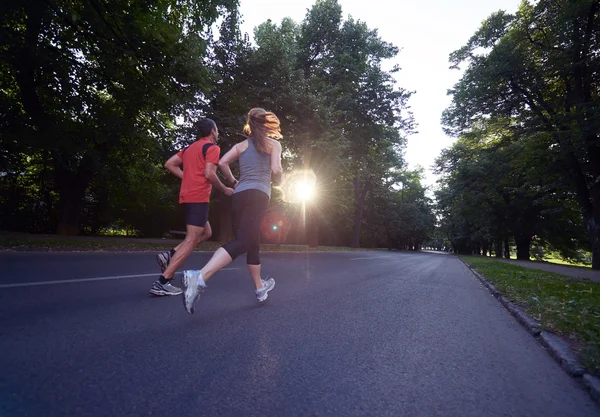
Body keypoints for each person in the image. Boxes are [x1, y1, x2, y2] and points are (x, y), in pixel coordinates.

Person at [181, 108, 283, 314]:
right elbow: (276, 170)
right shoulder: (274, 145)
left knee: (252, 241)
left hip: (239, 197)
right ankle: (199, 277)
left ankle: (260, 289)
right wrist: (281, 179)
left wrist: (234, 181)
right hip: (258, 196)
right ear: (265, 123)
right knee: (245, 241)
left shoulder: (241, 145)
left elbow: (222, 162)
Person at [149, 118, 234, 296]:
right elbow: (210, 174)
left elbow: (169, 164)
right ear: (212, 131)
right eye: (217, 130)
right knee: (191, 240)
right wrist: (225, 188)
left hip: (188, 196)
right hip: (198, 198)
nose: (217, 133)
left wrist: (188, 178)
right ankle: (163, 282)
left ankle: (170, 255)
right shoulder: (212, 148)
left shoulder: (189, 148)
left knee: (206, 233)